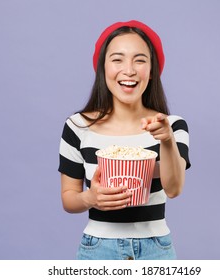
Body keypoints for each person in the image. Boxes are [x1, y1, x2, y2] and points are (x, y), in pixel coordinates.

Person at [58, 20, 191, 260]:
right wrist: (90, 198)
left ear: (151, 72)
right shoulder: (77, 127)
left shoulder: (171, 126)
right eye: (117, 59)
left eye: (140, 60)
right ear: (103, 68)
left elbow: (174, 188)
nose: (128, 70)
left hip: (156, 249)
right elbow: (69, 197)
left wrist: (167, 141)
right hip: (98, 250)